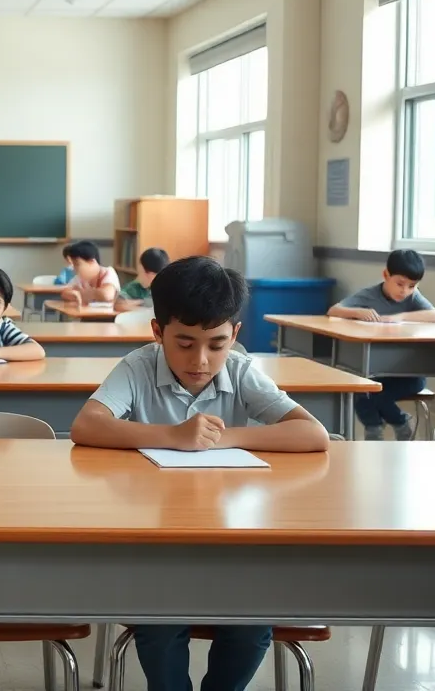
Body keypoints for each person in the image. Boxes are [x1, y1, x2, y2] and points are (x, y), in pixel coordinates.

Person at [70, 256, 328, 691]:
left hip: (234, 546)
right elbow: (85, 425)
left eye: (217, 343)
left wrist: (223, 439)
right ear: (158, 333)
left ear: (235, 336)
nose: (202, 360)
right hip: (155, 544)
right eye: (185, 344)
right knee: (158, 623)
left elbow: (313, 434)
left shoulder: (241, 370)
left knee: (250, 624)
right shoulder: (137, 367)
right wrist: (173, 435)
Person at [327, 248, 435, 440]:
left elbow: (434, 315)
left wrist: (399, 317)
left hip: (410, 375)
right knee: (362, 392)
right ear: (386, 275)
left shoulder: (413, 297)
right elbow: (334, 310)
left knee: (376, 394)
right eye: (400, 284)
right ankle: (377, 431)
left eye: (412, 286)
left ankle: (397, 422)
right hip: (378, 371)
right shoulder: (369, 295)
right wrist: (358, 312)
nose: (405, 291)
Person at [60, 240, 119, 305]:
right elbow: (65, 294)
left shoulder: (108, 272)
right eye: (74, 265)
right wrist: (91, 294)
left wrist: (80, 293)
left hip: (108, 314)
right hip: (88, 314)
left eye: (77, 264)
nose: (74, 268)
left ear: (92, 262)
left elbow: (106, 295)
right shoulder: (79, 278)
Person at [113, 247, 169, 312]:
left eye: (141, 271)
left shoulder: (170, 288)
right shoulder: (136, 287)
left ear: (149, 274)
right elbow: (119, 304)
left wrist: (136, 303)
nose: (139, 275)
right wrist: (144, 304)